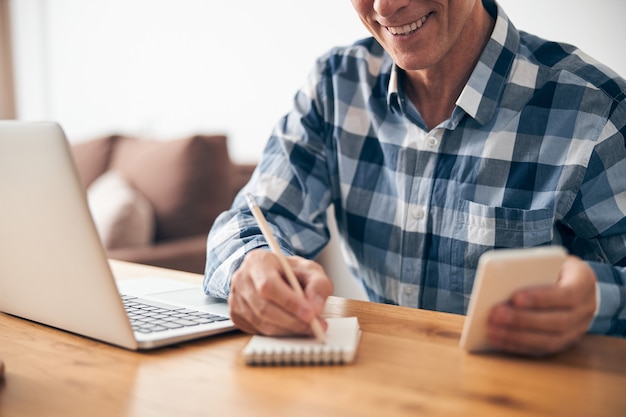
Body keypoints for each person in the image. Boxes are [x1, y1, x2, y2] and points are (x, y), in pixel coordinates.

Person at [204, 0, 626, 357]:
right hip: (383, 387)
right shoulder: (335, 85)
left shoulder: (596, 109)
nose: (384, 8)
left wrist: (598, 299)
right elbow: (253, 217)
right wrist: (250, 265)